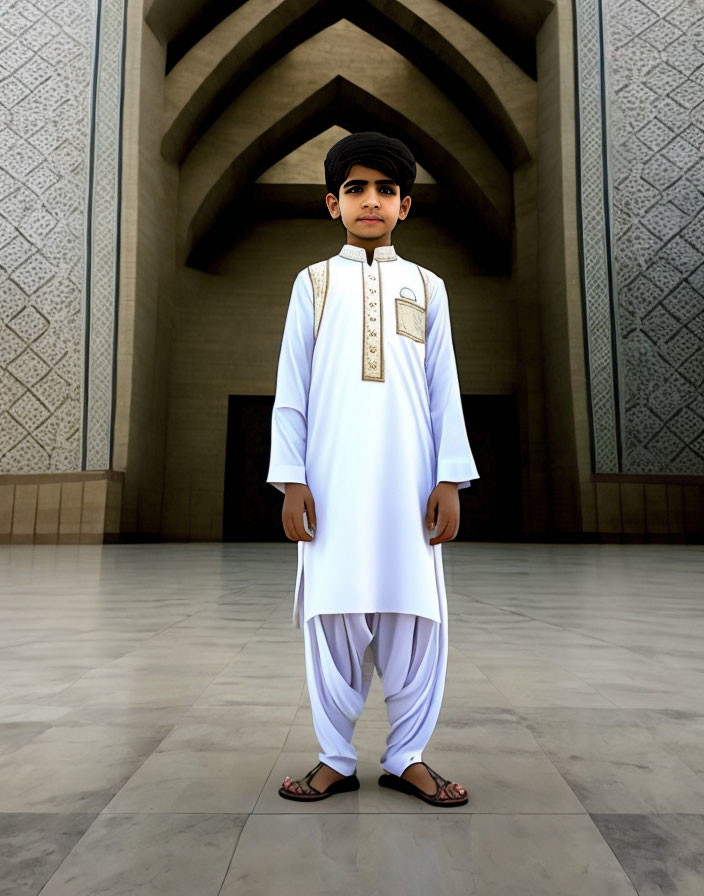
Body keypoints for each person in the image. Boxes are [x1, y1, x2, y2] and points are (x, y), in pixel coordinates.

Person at [266, 131, 479, 806]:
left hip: (410, 485)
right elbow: (290, 388)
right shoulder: (313, 283)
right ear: (332, 203)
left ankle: (407, 756)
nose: (371, 200)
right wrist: (291, 477)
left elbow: (444, 384)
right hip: (329, 484)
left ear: (405, 208)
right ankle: (334, 758)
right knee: (332, 617)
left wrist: (449, 477)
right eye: (355, 188)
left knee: (415, 620)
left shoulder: (427, 286)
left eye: (386, 189)